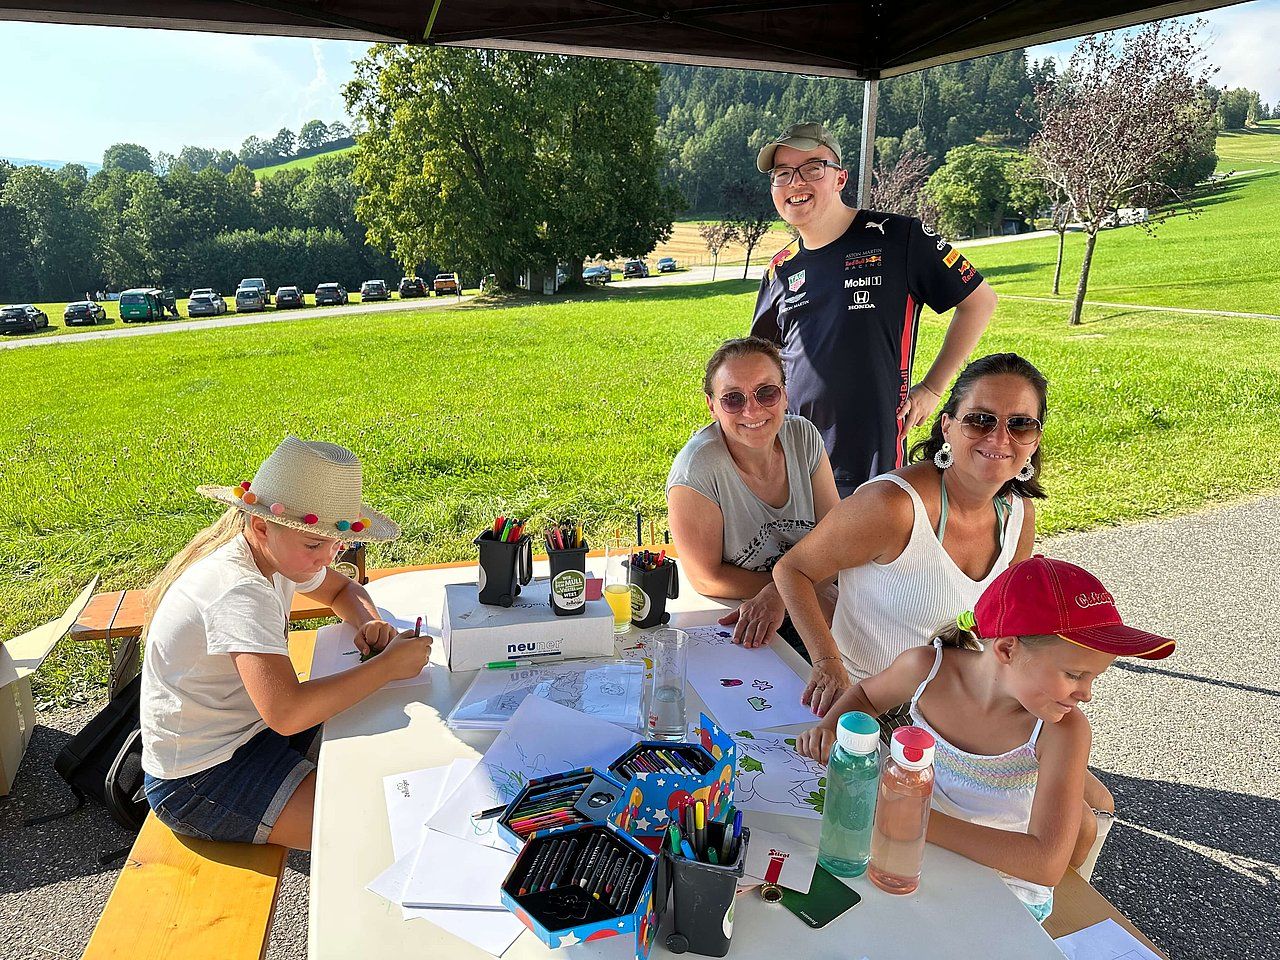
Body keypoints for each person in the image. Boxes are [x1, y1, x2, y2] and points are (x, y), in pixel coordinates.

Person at [797, 555, 1175, 920]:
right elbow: (864, 696)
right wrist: (833, 726)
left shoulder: (1063, 730)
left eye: (1094, 677)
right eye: (1075, 675)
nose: (1086, 694)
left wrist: (913, 817)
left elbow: (1044, 865)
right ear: (1007, 648)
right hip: (908, 851)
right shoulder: (926, 670)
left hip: (1003, 888)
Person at [140, 436, 431, 849]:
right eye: (315, 544)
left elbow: (341, 591)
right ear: (260, 526)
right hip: (203, 780)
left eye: (338, 543)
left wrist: (370, 623)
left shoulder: (277, 553)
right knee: (378, 830)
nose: (327, 557)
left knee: (388, 765)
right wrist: (386, 667)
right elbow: (288, 712)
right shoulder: (238, 591)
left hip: (253, 732)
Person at [772, 353, 1045, 716]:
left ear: (1036, 438)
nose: (999, 438)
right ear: (947, 427)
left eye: (1021, 424)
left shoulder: (1019, 516)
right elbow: (793, 570)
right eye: (980, 420)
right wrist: (825, 663)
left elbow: (1003, 623)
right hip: (864, 705)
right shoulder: (892, 506)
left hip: (953, 709)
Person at [750, 121, 999, 498]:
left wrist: (932, 388)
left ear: (839, 178)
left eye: (812, 169)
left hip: (874, 461)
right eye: (782, 174)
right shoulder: (780, 268)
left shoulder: (900, 238)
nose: (796, 183)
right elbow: (761, 359)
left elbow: (980, 302)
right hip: (794, 461)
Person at [667, 337, 840, 651]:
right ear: (712, 406)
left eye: (766, 392)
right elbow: (706, 577)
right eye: (733, 398)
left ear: (785, 394)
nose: (752, 409)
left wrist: (786, 593)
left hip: (812, 591)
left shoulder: (803, 437)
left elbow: (837, 538)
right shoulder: (698, 469)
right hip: (743, 610)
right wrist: (796, 592)